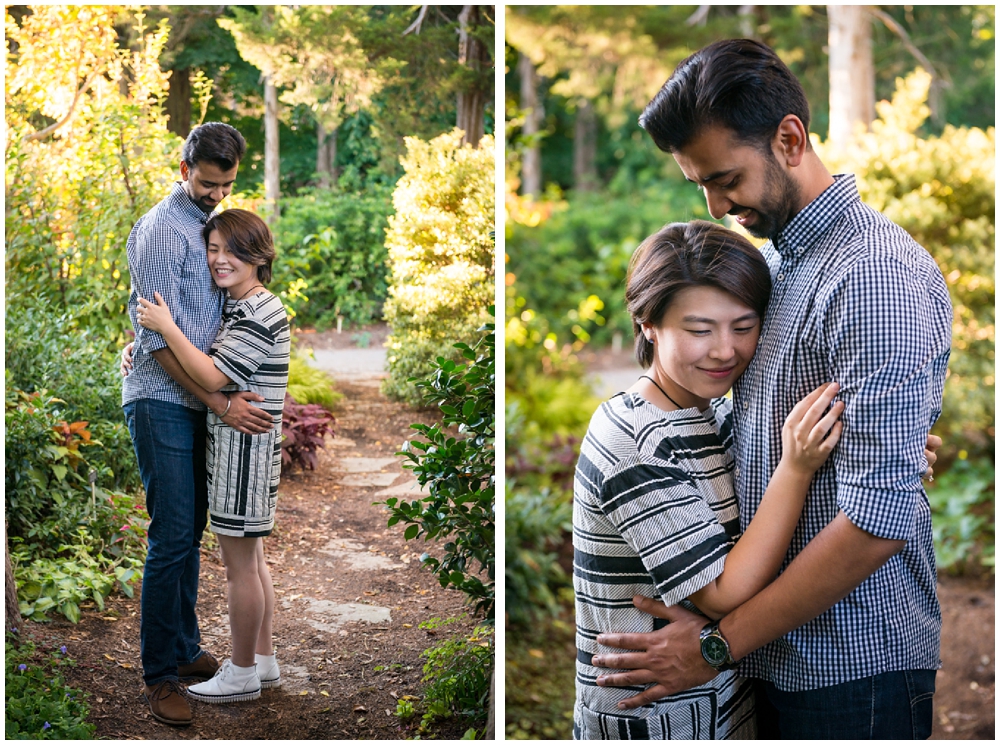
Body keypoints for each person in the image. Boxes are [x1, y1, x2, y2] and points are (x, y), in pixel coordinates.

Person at [590, 39, 952, 739]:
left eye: (726, 177)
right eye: (701, 185)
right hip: (783, 661)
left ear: (789, 138)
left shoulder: (870, 275)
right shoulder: (780, 265)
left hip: (850, 669)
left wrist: (715, 644)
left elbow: (877, 521)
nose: (718, 204)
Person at [574, 220, 846, 739]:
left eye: (743, 327)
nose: (725, 350)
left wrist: (877, 452)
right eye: (700, 330)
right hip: (655, 715)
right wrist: (796, 466)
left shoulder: (711, 414)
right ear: (648, 323)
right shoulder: (630, 438)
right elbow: (722, 593)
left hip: (721, 702)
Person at [122, 122, 273, 727]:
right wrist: (218, 403)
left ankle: (185, 651)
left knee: (190, 533)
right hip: (161, 397)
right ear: (184, 168)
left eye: (228, 184)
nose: (218, 194)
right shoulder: (160, 228)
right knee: (173, 533)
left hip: (198, 398)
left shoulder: (209, 224)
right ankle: (160, 674)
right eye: (209, 183)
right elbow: (152, 337)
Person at [136, 208, 290, 706]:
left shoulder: (259, 312)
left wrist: (162, 327)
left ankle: (241, 672)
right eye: (214, 249)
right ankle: (262, 661)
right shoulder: (242, 306)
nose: (220, 260)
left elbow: (212, 377)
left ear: (259, 256)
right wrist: (138, 346)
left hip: (241, 457)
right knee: (254, 561)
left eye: (233, 251)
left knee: (239, 569)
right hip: (242, 453)